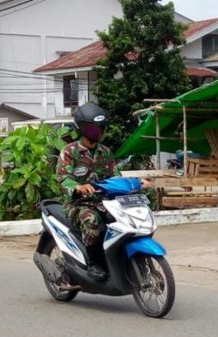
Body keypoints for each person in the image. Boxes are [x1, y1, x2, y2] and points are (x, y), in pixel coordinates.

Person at [56, 103, 149, 280]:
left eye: (100, 128)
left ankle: (121, 260)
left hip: (106, 202)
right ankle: (94, 263)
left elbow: (115, 178)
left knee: (127, 221)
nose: (97, 132)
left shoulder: (105, 153)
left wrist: (137, 183)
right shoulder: (69, 151)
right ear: (82, 128)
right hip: (78, 203)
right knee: (92, 220)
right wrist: (78, 187)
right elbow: (63, 179)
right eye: (93, 128)